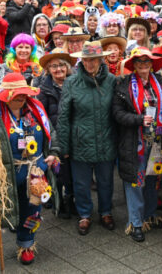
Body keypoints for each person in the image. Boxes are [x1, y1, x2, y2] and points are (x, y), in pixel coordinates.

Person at [0, 73, 59, 266]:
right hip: (4, 171)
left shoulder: (36, 109)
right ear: (5, 96)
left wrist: (53, 152)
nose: (21, 98)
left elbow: (51, 133)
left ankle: (26, 244)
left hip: (34, 172)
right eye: (17, 95)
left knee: (32, 209)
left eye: (24, 94)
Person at [57, 41, 117, 235]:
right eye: (86, 60)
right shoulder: (71, 82)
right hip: (80, 140)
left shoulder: (112, 81)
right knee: (81, 183)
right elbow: (64, 116)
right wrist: (63, 147)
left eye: (93, 60)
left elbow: (117, 112)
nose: (89, 64)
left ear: (101, 60)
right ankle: (84, 214)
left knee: (106, 180)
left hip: (106, 138)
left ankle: (106, 212)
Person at [113, 47, 162, 242]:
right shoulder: (123, 85)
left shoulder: (161, 83)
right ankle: (136, 222)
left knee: (153, 179)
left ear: (152, 64)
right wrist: (139, 119)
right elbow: (117, 114)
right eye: (139, 62)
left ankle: (149, 215)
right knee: (136, 182)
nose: (143, 66)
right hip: (135, 142)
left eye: (147, 62)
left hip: (157, 140)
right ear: (134, 65)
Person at [37, 48, 77, 219]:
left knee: (74, 173)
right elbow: (41, 116)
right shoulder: (43, 89)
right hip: (54, 136)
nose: (58, 69)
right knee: (59, 172)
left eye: (61, 65)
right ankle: (58, 202)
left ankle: (71, 200)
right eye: (54, 66)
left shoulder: (75, 84)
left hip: (74, 135)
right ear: (48, 70)